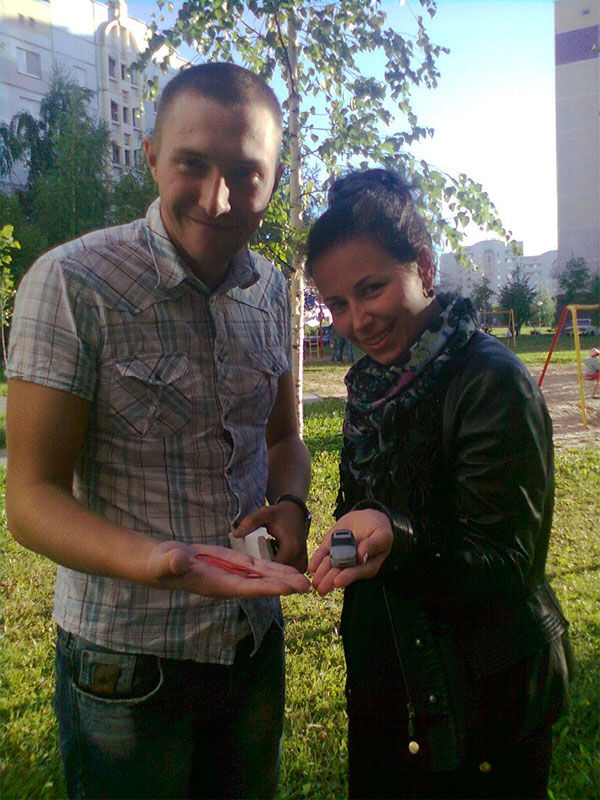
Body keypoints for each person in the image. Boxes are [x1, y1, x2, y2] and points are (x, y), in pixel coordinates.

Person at [5, 63, 312, 800]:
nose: (216, 198)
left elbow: (283, 440)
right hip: (127, 664)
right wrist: (163, 561)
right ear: (151, 157)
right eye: (192, 164)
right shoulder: (74, 283)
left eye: (246, 173)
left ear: (275, 179)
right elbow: (31, 498)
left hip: (252, 644)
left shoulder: (271, 292)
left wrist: (292, 505)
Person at [306, 169, 572, 800]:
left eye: (371, 290)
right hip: (391, 689)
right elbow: (363, 516)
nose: (356, 321)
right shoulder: (373, 384)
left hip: (482, 705)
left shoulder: (490, 382)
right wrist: (321, 554)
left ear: (423, 267)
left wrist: (396, 540)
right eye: (336, 304)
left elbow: (507, 564)